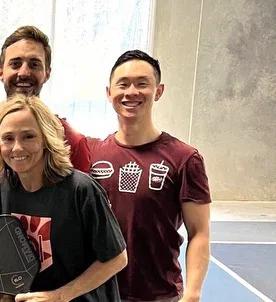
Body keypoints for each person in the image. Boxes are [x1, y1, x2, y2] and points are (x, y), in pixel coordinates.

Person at [87, 50, 211, 302]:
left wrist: (193, 294)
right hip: (100, 292)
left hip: (158, 295)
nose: (131, 92)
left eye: (142, 83)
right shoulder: (91, 153)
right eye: (122, 84)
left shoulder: (185, 158)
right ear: (109, 92)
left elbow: (199, 232)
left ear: (159, 91)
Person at [0, 94, 127, 302]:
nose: (17, 147)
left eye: (28, 136)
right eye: (8, 138)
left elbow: (117, 258)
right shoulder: (5, 187)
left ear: (46, 139)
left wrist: (61, 296)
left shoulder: (81, 189)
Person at [0, 25, 91, 173]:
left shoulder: (71, 141)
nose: (24, 72)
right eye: (15, 64)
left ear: (47, 73)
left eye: (34, 64)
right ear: (0, 72)